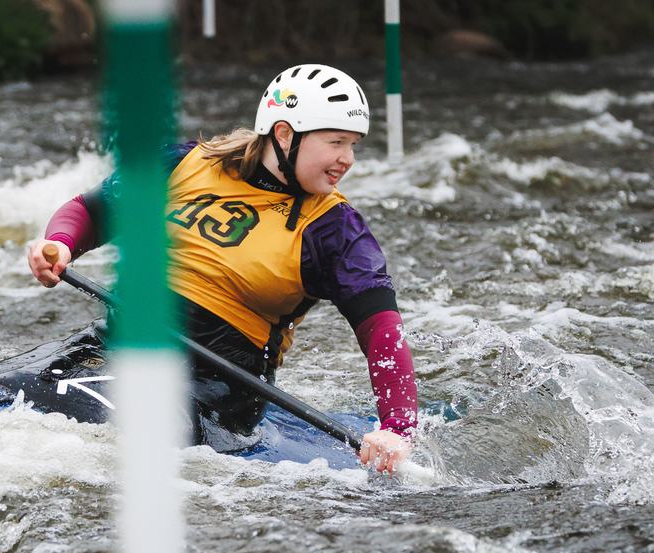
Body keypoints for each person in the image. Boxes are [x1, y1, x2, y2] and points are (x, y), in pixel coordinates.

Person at [27, 64, 417, 474]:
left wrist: (397, 428)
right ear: (284, 134)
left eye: (353, 144)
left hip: (215, 390)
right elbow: (93, 210)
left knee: (98, 446)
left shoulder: (335, 230)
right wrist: (60, 244)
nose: (347, 159)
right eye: (336, 142)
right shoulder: (185, 163)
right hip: (113, 345)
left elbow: (382, 331)